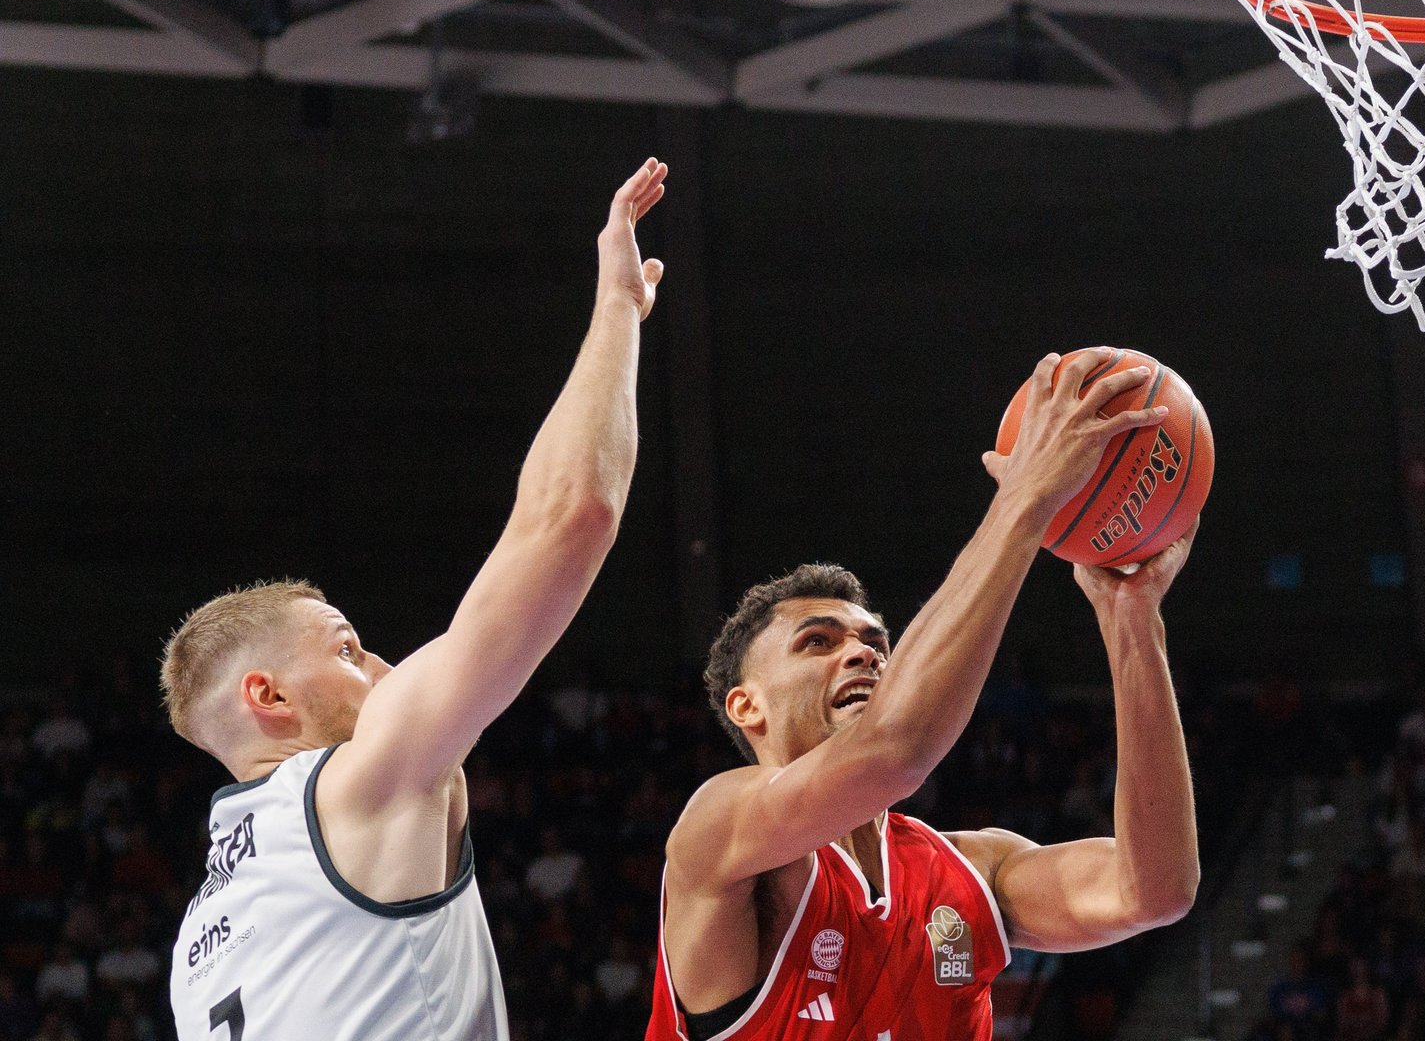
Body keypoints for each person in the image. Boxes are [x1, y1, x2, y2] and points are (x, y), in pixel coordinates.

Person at [158, 159, 669, 1041]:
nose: (385, 665)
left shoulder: (198, 938)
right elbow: (569, 518)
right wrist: (618, 308)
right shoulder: (357, 785)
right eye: (349, 648)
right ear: (268, 696)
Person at [649, 347, 1201, 1041]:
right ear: (746, 705)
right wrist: (1027, 499)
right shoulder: (719, 834)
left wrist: (1133, 621)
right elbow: (895, 751)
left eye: (877, 645)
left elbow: (1155, 889)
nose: (861, 652)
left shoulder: (970, 871)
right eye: (817, 641)